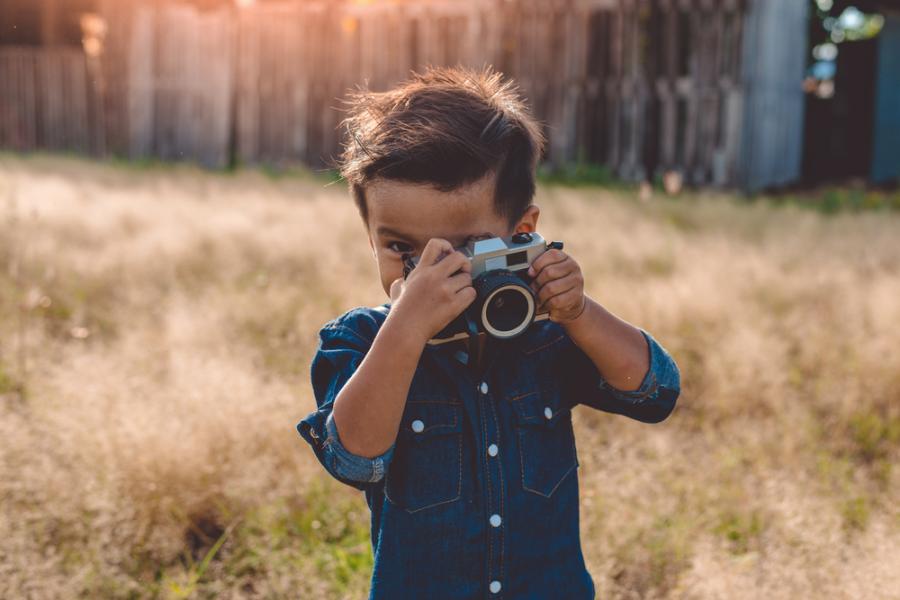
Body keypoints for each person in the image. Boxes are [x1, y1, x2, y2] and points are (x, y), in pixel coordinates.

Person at [297, 65, 681, 599]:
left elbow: (655, 392)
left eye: (459, 249)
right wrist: (406, 328)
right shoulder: (361, 340)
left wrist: (578, 312)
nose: (426, 271)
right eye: (400, 249)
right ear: (370, 237)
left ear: (520, 233)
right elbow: (353, 459)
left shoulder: (547, 334)